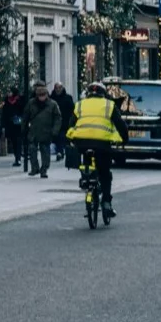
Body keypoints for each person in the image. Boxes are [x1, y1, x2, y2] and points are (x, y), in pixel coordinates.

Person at [66, 80, 125, 223]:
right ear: (103, 94)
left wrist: (71, 139)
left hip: (82, 143)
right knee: (105, 173)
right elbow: (120, 124)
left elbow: (71, 123)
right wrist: (125, 139)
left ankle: (87, 180)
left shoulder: (79, 105)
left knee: (87, 162)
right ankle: (106, 202)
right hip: (102, 144)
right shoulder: (109, 105)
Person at [25, 85, 63, 179]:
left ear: (47, 95)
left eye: (43, 95)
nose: (42, 97)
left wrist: (55, 130)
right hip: (33, 131)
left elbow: (58, 118)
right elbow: (26, 116)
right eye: (40, 95)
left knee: (45, 151)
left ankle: (44, 170)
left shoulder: (52, 104)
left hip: (47, 131)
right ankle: (35, 168)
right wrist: (24, 128)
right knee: (32, 149)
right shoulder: (31, 103)